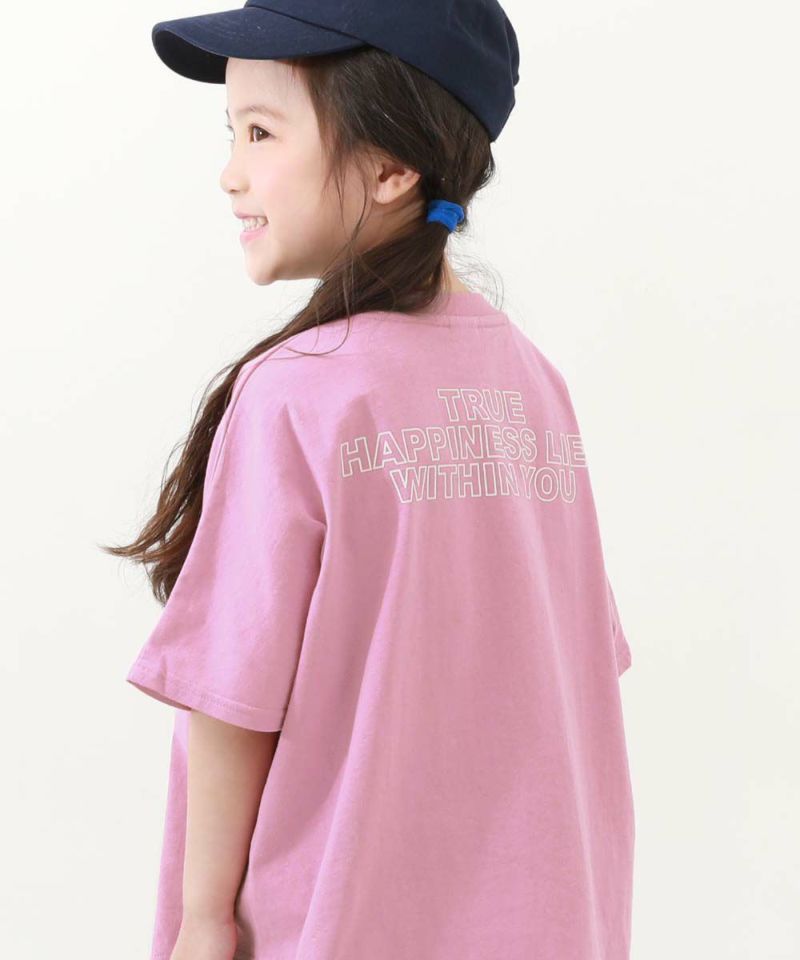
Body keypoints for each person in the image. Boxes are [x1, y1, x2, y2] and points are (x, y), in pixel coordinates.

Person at [104, 2, 635, 959]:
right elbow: (571, 672)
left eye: (262, 133)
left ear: (392, 167)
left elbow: (232, 697)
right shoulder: (531, 382)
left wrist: (203, 919)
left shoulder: (298, 394)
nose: (230, 172)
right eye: (232, 133)